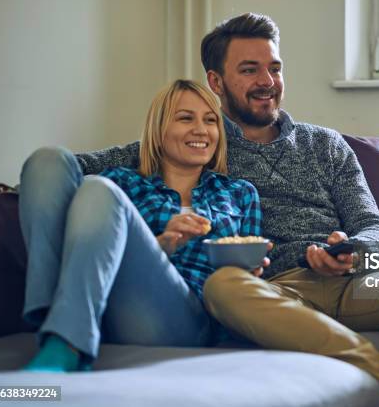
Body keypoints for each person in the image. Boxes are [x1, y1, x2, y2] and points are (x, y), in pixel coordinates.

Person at [73, 13, 379, 407]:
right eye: (249, 70)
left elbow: (376, 229)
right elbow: (84, 166)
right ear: (216, 81)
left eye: (274, 68)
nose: (267, 82)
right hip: (273, 290)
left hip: (352, 283)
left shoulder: (325, 145)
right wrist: (23, 187)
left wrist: (353, 250)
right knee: (223, 286)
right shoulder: (200, 139)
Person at [18, 79, 262, 372]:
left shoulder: (239, 193)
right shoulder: (124, 183)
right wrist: (161, 243)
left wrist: (250, 271)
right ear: (158, 131)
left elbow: (249, 274)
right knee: (48, 160)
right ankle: (56, 325)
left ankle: (66, 341)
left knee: (98, 188)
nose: (201, 129)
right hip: (108, 305)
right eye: (186, 118)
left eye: (210, 121)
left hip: (188, 320)